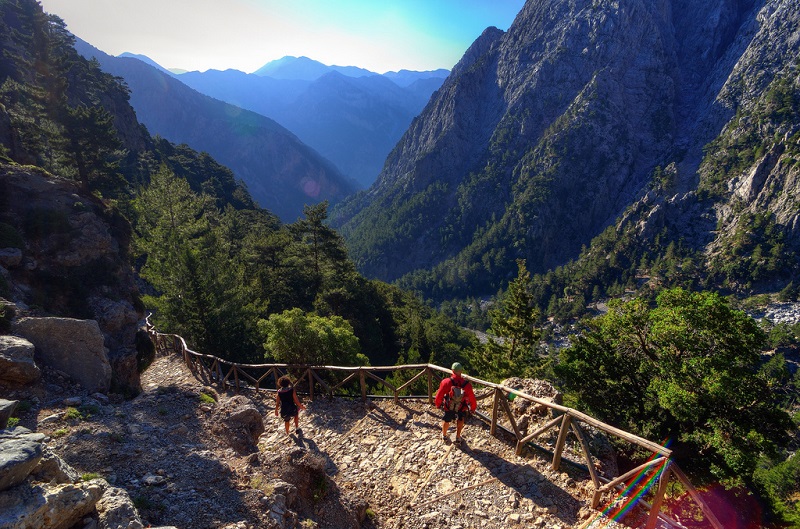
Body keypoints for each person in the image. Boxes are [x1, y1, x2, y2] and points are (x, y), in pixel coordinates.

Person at [434, 362, 477, 446]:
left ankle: (444, 435)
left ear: (452, 371)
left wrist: (438, 404)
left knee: (447, 419)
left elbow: (439, 395)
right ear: (461, 371)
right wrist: (473, 408)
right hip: (462, 406)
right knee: (460, 419)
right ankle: (458, 437)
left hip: (449, 405)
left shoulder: (446, 382)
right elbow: (472, 398)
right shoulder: (467, 385)